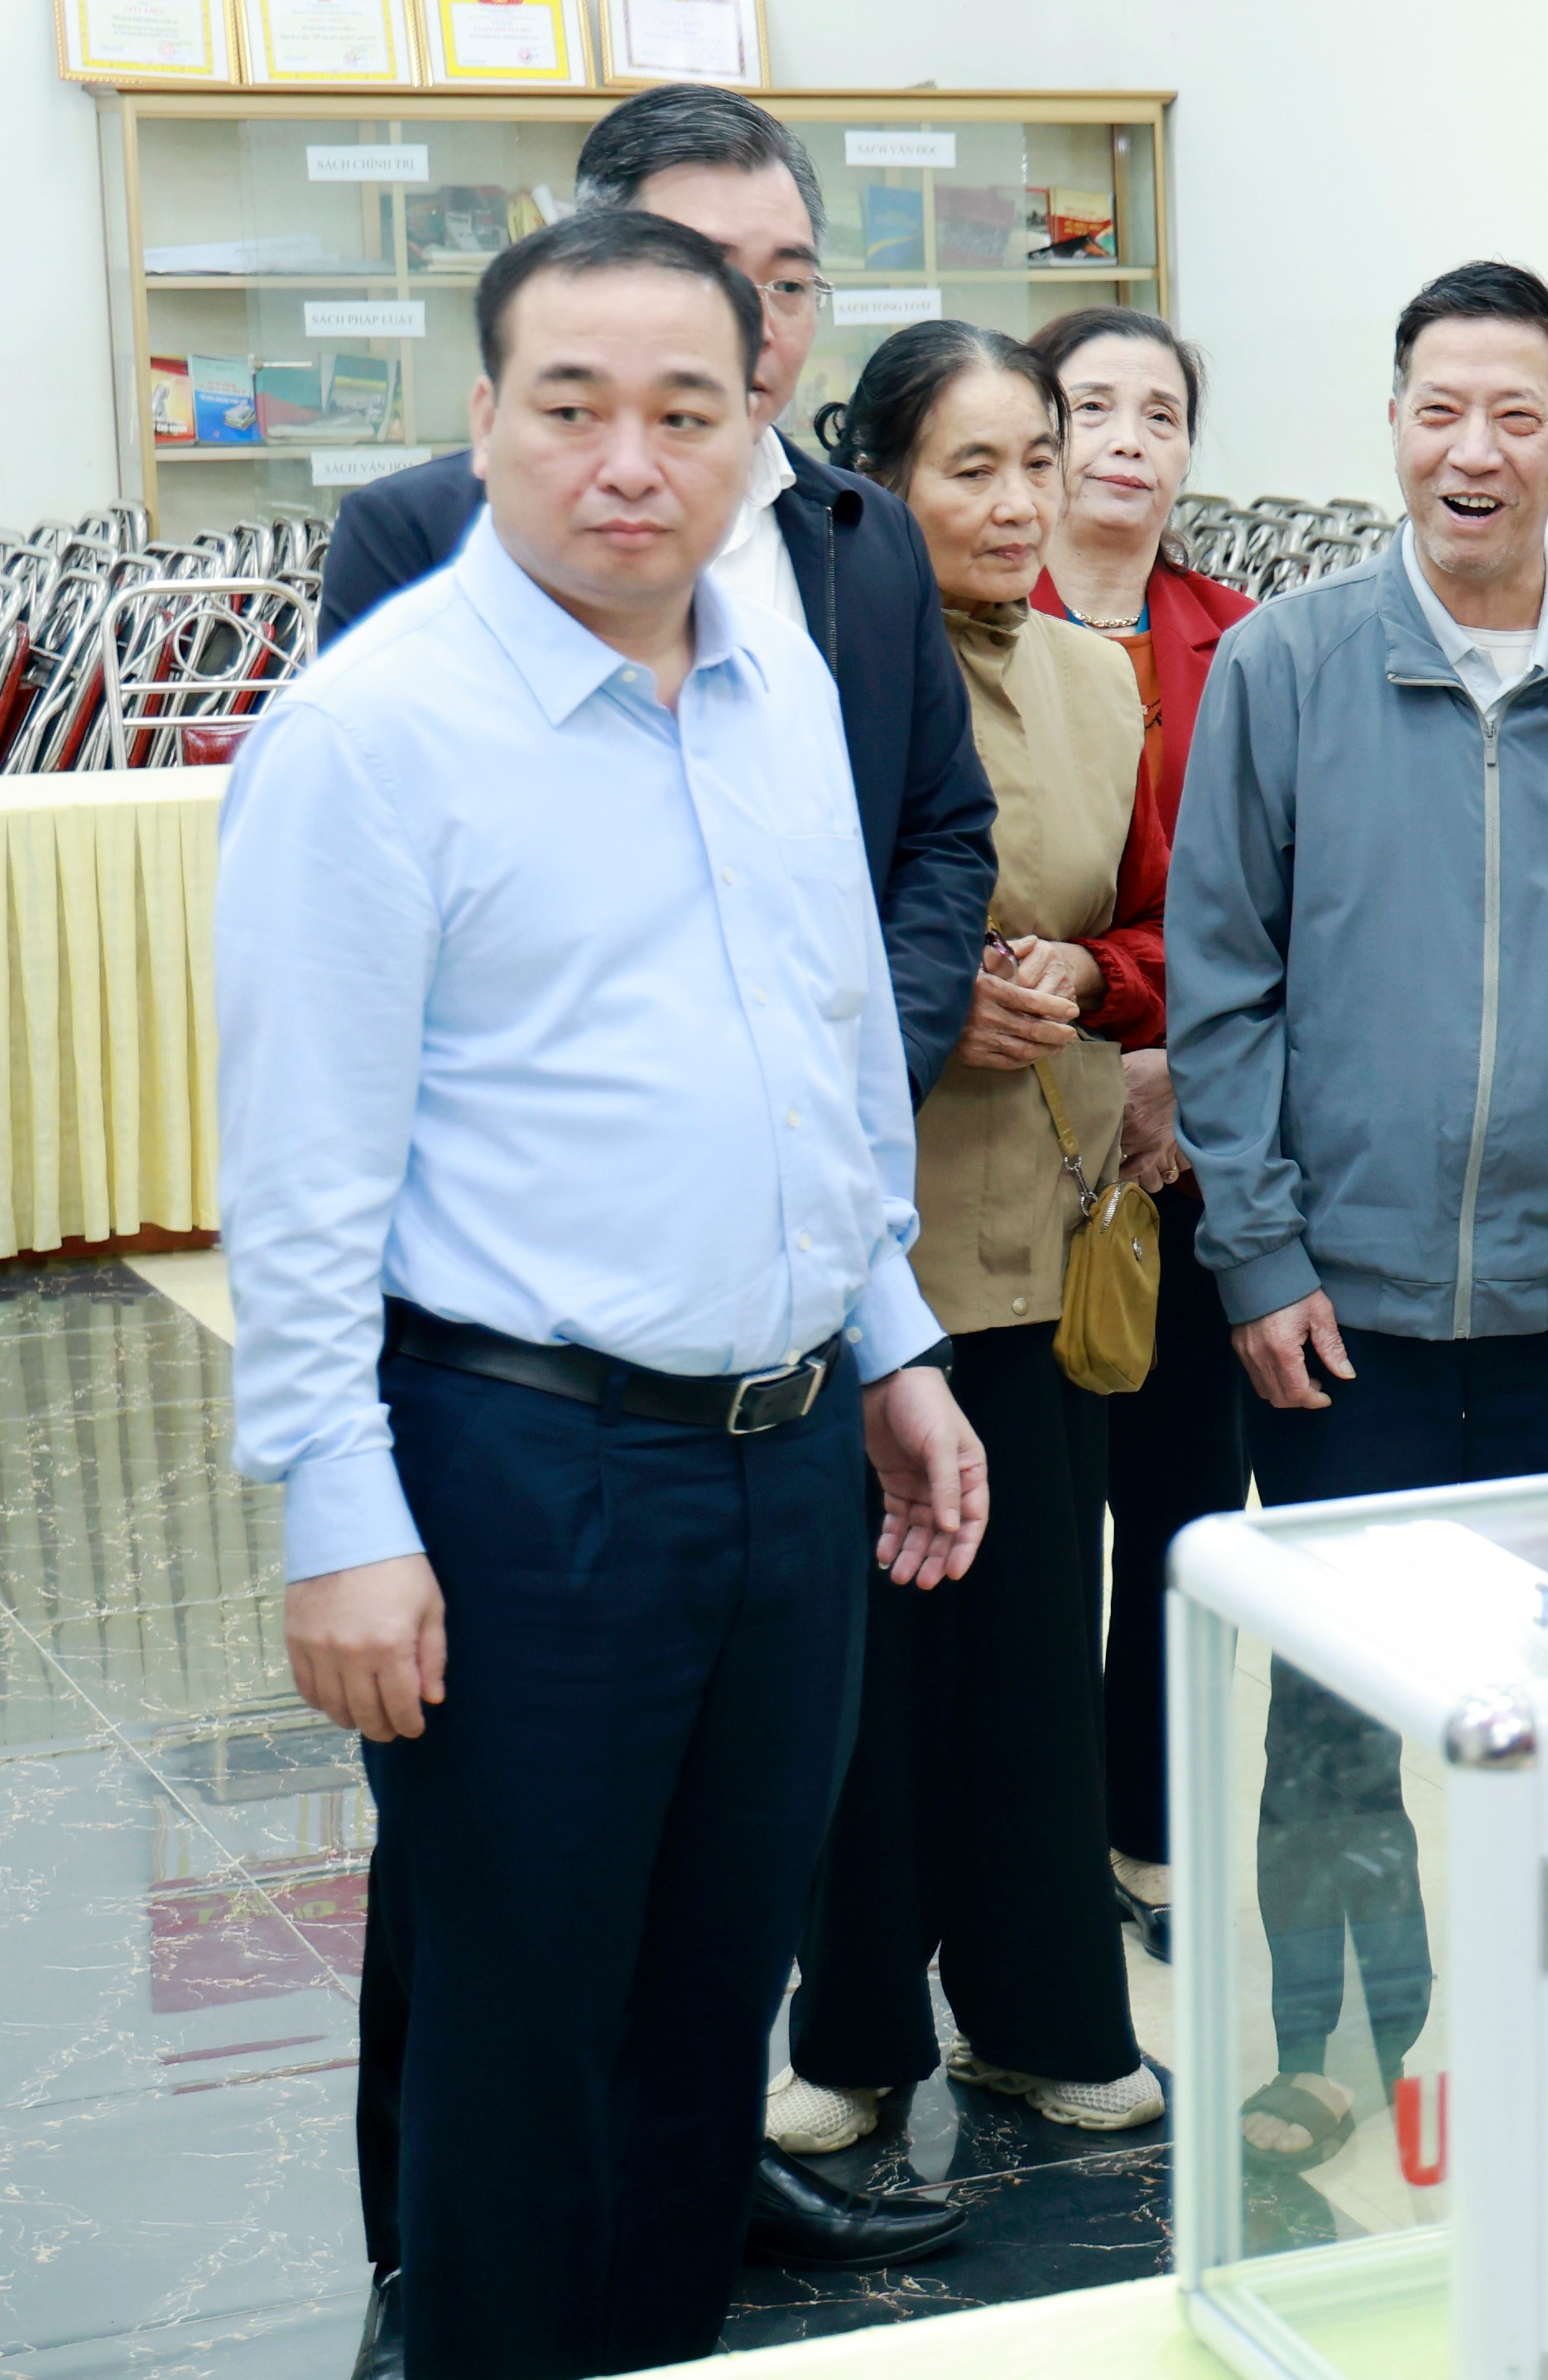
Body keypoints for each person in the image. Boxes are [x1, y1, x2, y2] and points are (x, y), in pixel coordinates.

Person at [217, 211, 992, 2380]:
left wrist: (891, 1339)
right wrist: (338, 1514)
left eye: (683, 410)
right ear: (484, 421)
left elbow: (822, 1041)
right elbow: (299, 1176)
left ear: (759, 428)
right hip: (522, 1470)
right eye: (571, 407)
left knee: (703, 2027)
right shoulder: (376, 735)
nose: (628, 460)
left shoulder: (775, 672)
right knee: (521, 2034)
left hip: (783, 1463)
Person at [1167, 262, 1548, 2171]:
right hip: (1344, 1300)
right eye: (1436, 409)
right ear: (1395, 428)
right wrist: (1259, 1247)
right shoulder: (1287, 667)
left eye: (1513, 413)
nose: (1471, 450)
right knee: (1339, 1700)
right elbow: (1221, 983)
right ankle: (1339, 2036)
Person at [768, 323, 1168, 2156]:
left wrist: (1088, 971)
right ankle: (855, 2036)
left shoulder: (1101, 679)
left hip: (1055, 1234)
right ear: (876, 483)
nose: (1019, 503)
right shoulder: (808, 674)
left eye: (1038, 461)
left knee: (1030, 1665)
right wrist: (938, 1006)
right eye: (972, 468)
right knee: (870, 1679)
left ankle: (1043, 2016)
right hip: (875, 1250)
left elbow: (1165, 926)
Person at [1025, 305, 1256, 1954]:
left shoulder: (1243, 642)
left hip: (1202, 1136)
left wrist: (1171, 1052)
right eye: (1089, 405)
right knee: (1032, 1516)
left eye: (1158, 412)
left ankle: (1152, 1830)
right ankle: (1028, 1845)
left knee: (1184, 1506)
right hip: (1018, 1125)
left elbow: (1273, 896)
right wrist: (1123, 1020)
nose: (1126, 437)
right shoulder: (965, 628)